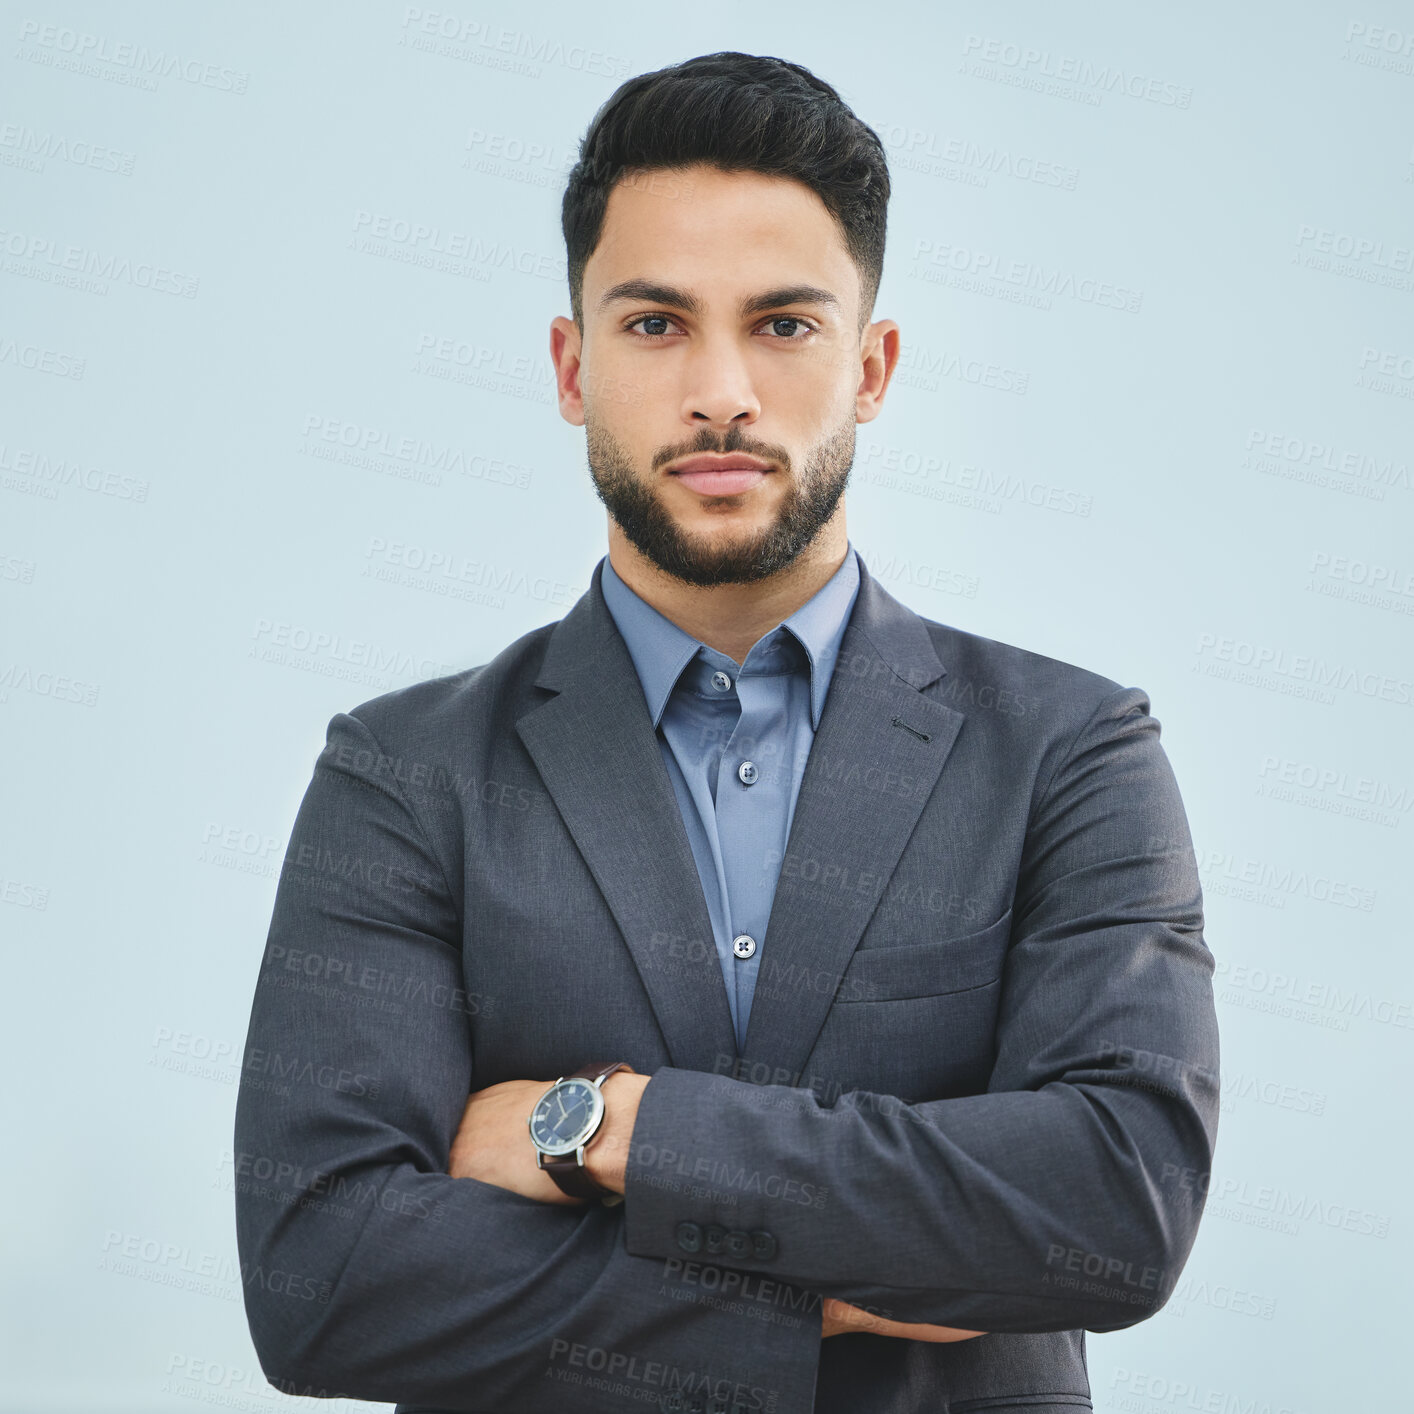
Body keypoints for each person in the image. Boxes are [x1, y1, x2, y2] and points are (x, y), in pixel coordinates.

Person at [234, 51, 1220, 1414]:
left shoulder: (1068, 751)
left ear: (869, 365)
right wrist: (835, 1278)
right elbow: (323, 1277)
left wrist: (604, 1129)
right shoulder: (405, 774)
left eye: (782, 324)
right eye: (654, 324)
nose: (720, 392)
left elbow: (1118, 1199)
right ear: (570, 365)